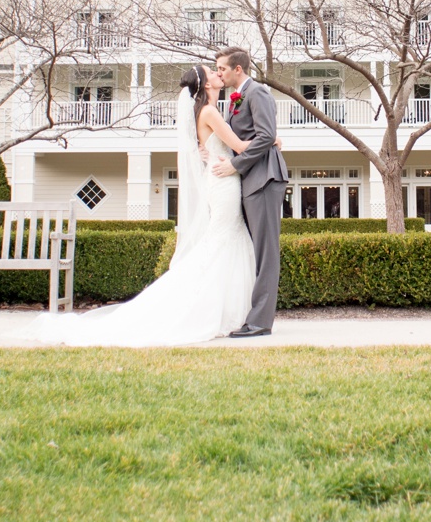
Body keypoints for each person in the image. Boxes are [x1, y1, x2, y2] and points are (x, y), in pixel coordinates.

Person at [14, 64, 256, 347]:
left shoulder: (204, 111)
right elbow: (239, 147)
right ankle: (210, 312)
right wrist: (269, 140)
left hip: (219, 179)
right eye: (212, 73)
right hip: (223, 184)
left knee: (222, 242)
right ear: (205, 84)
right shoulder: (210, 112)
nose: (219, 74)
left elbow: (210, 149)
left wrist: (212, 154)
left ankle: (222, 311)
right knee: (221, 243)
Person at [209, 47, 288, 337]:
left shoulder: (258, 92)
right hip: (250, 180)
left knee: (266, 253)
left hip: (265, 179)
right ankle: (251, 315)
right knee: (254, 252)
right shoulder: (236, 99)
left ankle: (260, 323)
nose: (219, 73)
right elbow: (254, 135)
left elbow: (266, 135)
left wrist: (235, 165)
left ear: (238, 69)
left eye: (222, 68)